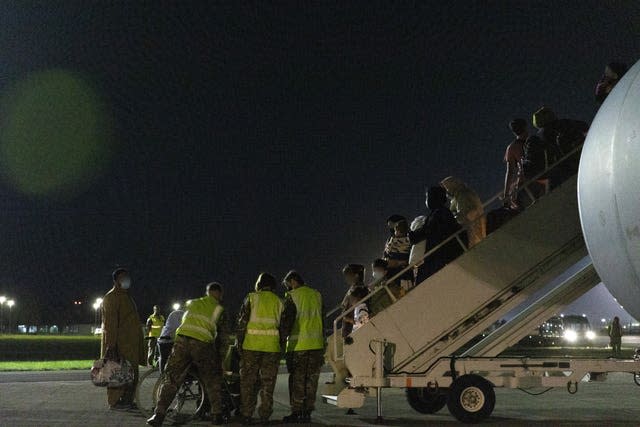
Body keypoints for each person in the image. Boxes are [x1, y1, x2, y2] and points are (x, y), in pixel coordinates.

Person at [147, 282, 229, 427]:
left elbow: (183, 318)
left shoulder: (193, 303)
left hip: (182, 342)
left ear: (207, 292)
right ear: (220, 294)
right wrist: (221, 359)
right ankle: (217, 415)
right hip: (202, 344)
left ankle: (158, 415)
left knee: (171, 378)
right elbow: (223, 338)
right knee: (211, 379)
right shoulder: (219, 309)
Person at [236, 273, 284, 425]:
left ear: (259, 284)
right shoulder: (280, 302)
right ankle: (264, 416)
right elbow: (284, 328)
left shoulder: (251, 298)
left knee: (248, 382)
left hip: (251, 346)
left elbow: (241, 323)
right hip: (271, 348)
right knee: (267, 383)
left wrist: (239, 343)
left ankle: (246, 414)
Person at [280, 271, 324, 424]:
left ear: (293, 281)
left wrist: (280, 340)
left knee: (297, 380)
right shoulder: (317, 295)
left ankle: (297, 411)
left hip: (299, 345)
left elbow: (287, 322)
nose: (287, 288)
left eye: (287, 285)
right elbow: (322, 318)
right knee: (311, 380)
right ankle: (307, 411)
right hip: (317, 345)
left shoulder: (292, 296)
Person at [101, 268, 145, 410]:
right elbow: (110, 324)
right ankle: (114, 402)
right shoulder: (111, 297)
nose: (126, 280)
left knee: (131, 374)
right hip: (120, 344)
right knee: (117, 373)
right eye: (122, 278)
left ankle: (127, 401)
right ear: (115, 281)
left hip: (131, 344)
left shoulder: (126, 296)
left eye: (127, 277)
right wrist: (111, 346)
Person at [410, 186, 464, 285]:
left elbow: (427, 231)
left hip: (440, 257)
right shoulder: (440, 213)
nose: (426, 201)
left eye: (427, 197)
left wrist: (412, 235)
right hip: (438, 256)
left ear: (434, 198)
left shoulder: (439, 214)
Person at [441, 176, 486, 248]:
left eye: (447, 188)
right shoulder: (458, 196)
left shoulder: (462, 194)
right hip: (471, 230)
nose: (446, 192)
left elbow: (467, 214)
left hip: (473, 230)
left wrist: (453, 218)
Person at [503, 118, 528, 209]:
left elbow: (510, 172)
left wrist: (506, 195)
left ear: (513, 132)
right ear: (525, 127)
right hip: (544, 177)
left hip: (526, 184)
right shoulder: (535, 139)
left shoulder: (512, 148)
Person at [157, 304, 184, 372]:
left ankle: (162, 375)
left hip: (163, 339)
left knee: (164, 358)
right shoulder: (183, 314)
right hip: (170, 340)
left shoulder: (173, 313)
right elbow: (179, 328)